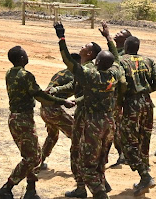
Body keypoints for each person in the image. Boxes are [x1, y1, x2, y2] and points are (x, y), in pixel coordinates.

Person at [54, 22, 126, 199]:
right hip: (109, 122)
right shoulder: (115, 73)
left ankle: (99, 193)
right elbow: (116, 59)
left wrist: (62, 38)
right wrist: (108, 38)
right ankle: (96, 186)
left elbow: (68, 62)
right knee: (101, 158)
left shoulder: (90, 75)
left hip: (91, 122)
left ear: (97, 61)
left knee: (85, 164)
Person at [0, 46, 76, 199]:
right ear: (21, 58)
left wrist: (41, 93)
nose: (27, 56)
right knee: (32, 157)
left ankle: (30, 190)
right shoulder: (26, 75)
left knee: (30, 154)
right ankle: (7, 187)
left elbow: (32, 92)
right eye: (25, 54)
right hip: (23, 120)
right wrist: (63, 101)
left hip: (15, 118)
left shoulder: (10, 73)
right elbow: (39, 96)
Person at [118, 35, 156, 196]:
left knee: (128, 141)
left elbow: (122, 84)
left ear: (126, 46)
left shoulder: (122, 61)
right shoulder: (149, 61)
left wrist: (122, 99)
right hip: (147, 103)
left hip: (131, 103)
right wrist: (145, 90)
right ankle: (144, 172)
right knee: (145, 139)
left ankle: (145, 176)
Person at [38, 57, 79, 171]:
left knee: (52, 135)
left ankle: (39, 161)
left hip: (45, 109)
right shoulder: (73, 76)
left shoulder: (61, 73)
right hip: (53, 110)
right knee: (77, 135)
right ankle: (80, 165)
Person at [107, 27, 131, 167]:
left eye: (121, 33)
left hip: (116, 96)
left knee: (115, 126)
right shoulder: (113, 51)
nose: (118, 33)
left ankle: (123, 155)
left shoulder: (122, 54)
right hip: (111, 94)